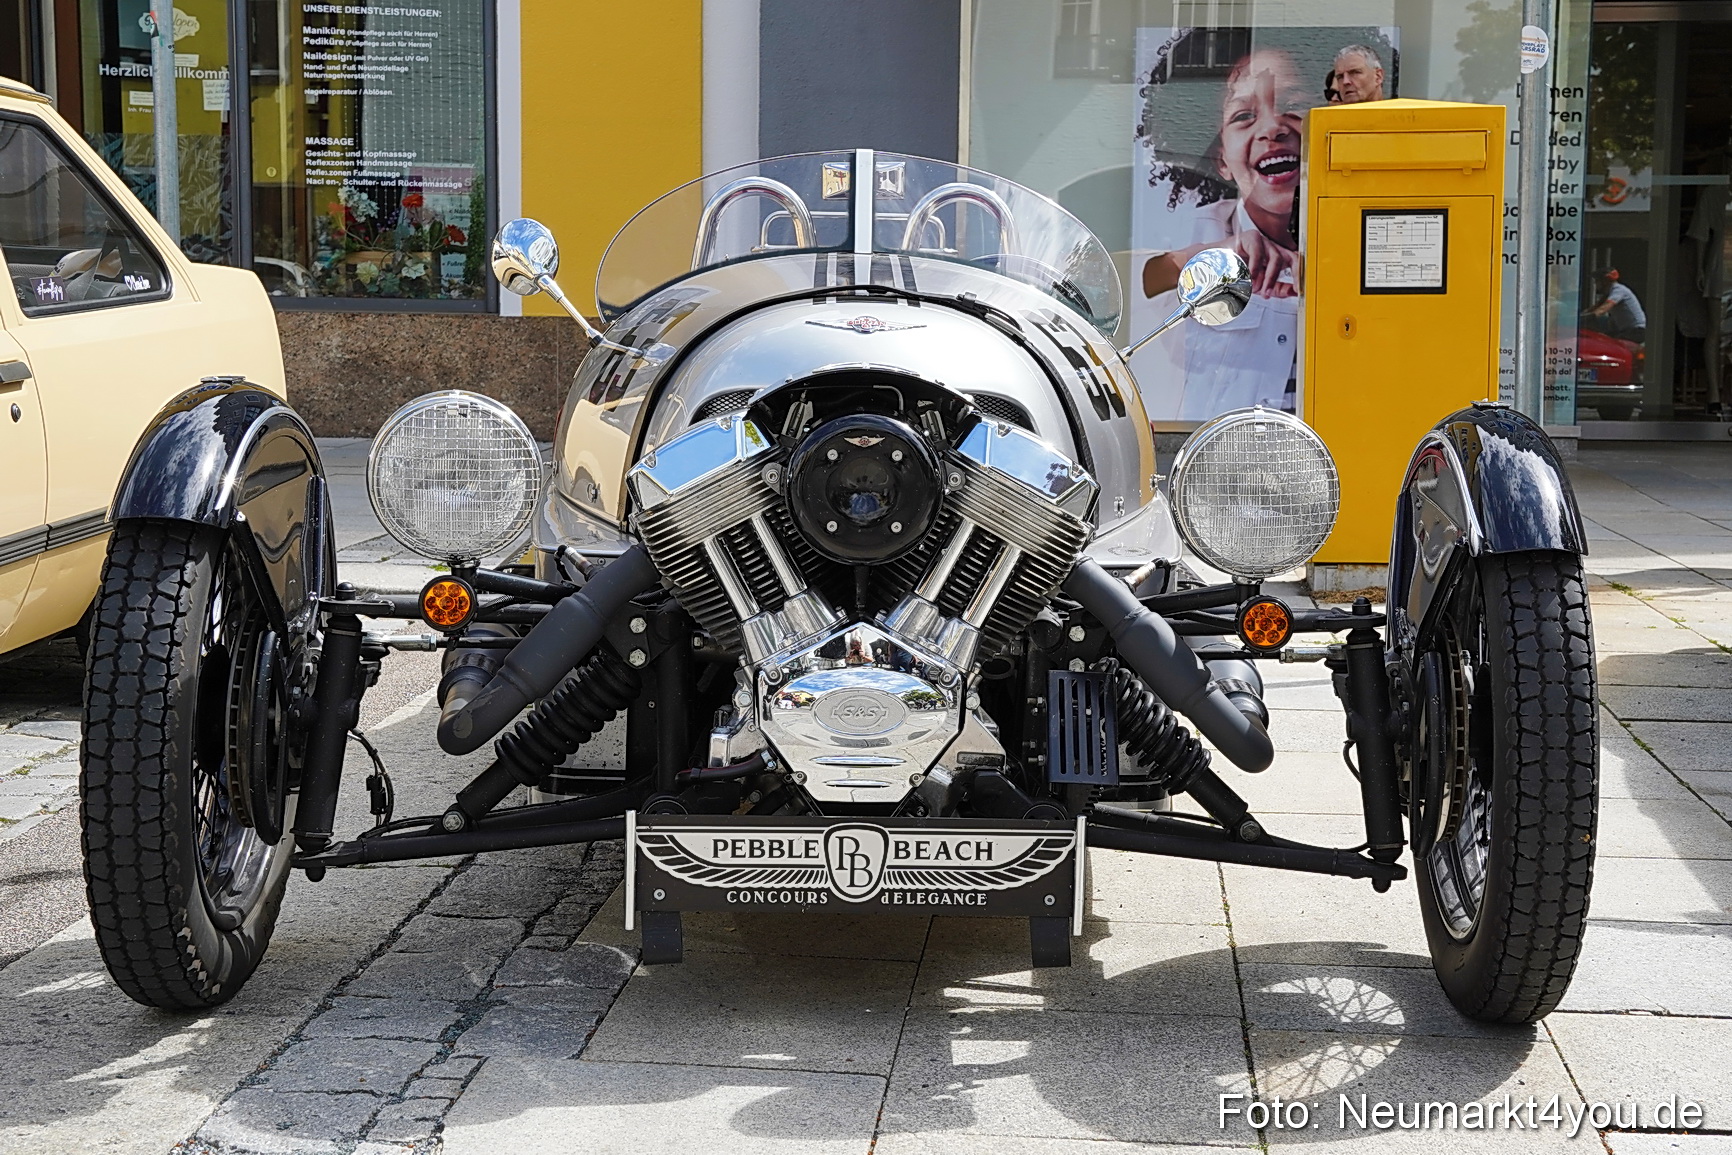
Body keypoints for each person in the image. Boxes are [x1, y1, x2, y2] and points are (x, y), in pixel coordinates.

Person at [1137, 48, 1309, 418]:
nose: (1272, 128)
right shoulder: (1189, 230)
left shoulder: (1360, 243)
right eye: (1244, 116)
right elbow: (1124, 290)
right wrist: (1205, 257)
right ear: (1222, 161)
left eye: (1294, 106)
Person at [1585, 269, 1647, 344]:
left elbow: (1603, 308)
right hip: (1625, 331)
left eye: (1597, 281)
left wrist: (1588, 317)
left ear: (1605, 281)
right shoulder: (1609, 293)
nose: (1595, 283)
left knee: (1609, 345)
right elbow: (1594, 308)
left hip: (1635, 332)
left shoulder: (1618, 290)